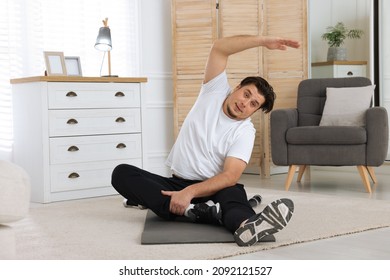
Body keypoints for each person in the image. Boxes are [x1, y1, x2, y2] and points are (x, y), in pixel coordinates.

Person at [111, 35, 299, 247]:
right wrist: (263, 41)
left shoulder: (245, 131)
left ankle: (247, 225)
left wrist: (190, 192)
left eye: (253, 104)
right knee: (122, 173)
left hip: (213, 188)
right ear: (236, 87)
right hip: (177, 182)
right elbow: (219, 48)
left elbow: (229, 176)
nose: (245, 103)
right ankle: (201, 212)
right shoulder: (214, 90)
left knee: (233, 194)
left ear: (255, 111)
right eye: (246, 94)